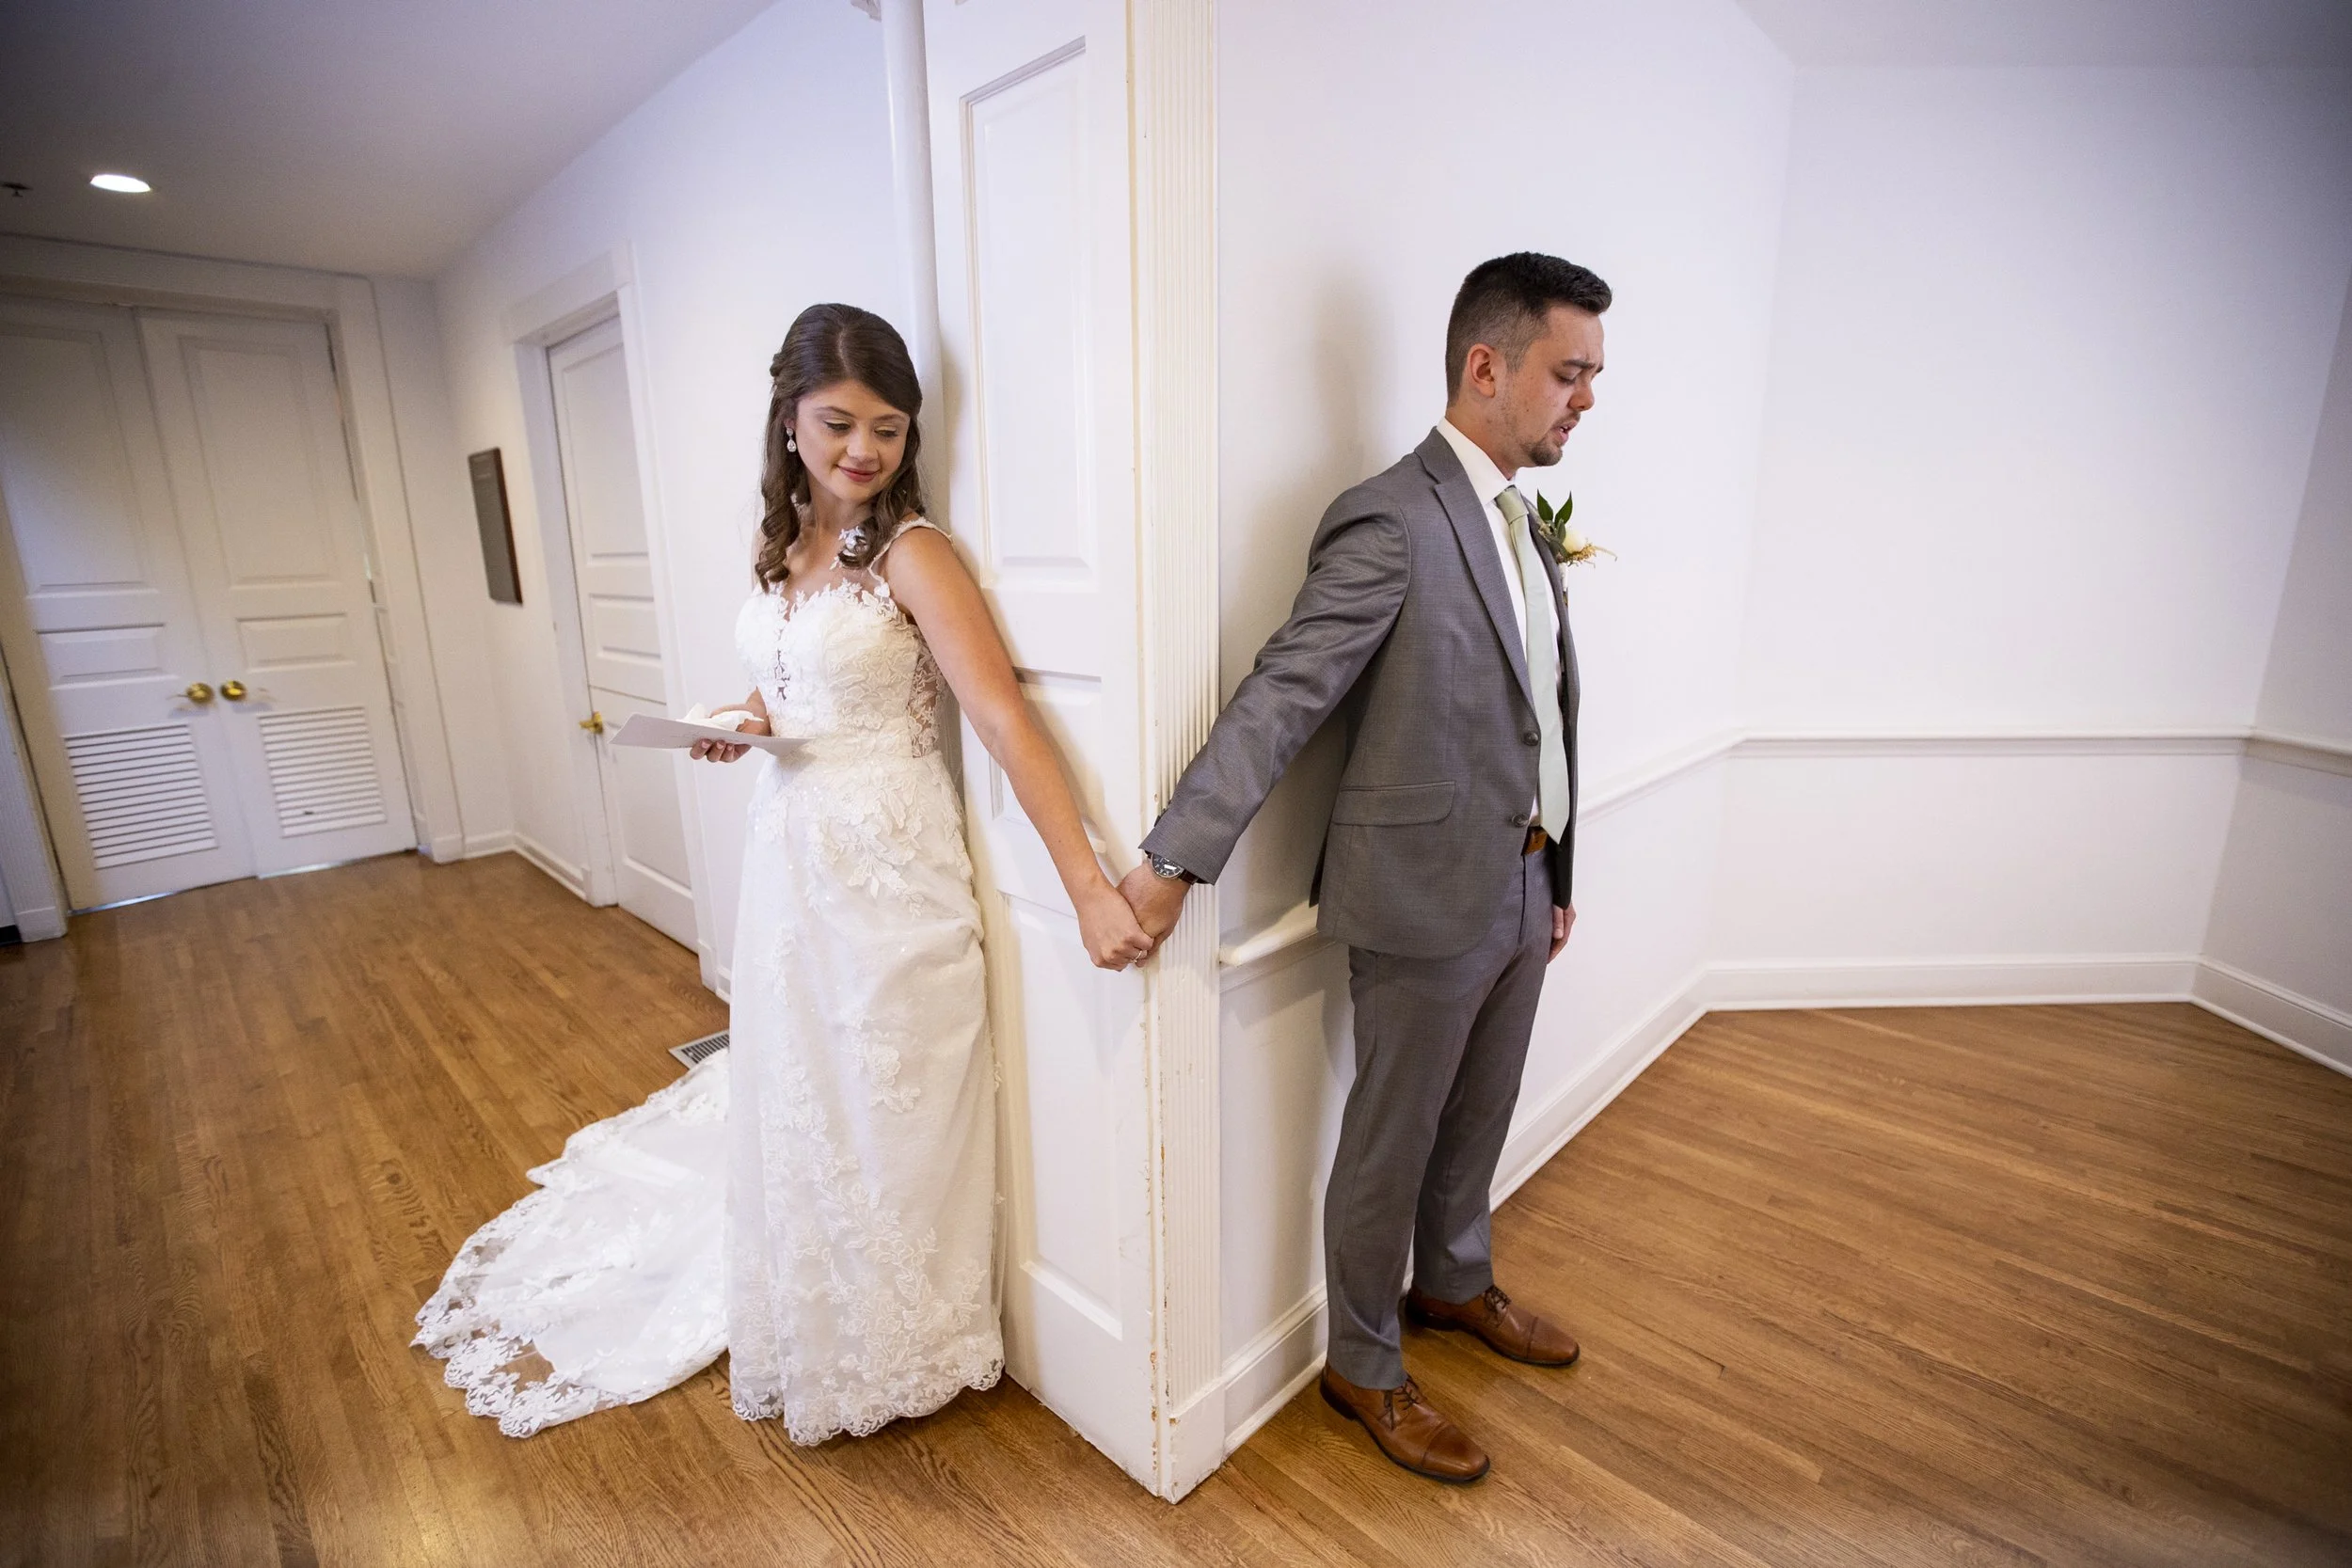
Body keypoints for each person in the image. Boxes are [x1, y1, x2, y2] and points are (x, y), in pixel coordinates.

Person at [415, 303, 1151, 1444]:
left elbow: (1001, 718)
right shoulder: (785, 548)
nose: (864, 451)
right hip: (788, 854)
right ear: (790, 421)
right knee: (805, 1088)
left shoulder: (915, 554)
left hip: (890, 861)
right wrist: (743, 718)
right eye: (839, 423)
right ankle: (817, 1301)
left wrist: (1091, 885)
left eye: (889, 430)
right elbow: (797, 690)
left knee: (891, 1095)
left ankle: (903, 1335)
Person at [1118, 253, 1607, 1482]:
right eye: (1570, 372)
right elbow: (1289, 690)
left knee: (1477, 1116)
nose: (1587, 398)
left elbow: (1543, 704)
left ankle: (1453, 1281)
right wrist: (1178, 853)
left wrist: (1554, 869)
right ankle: (1364, 1360)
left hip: (1520, 880)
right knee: (1390, 1140)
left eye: (1595, 376)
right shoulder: (1392, 515)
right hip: (1419, 896)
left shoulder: (1521, 523)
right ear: (1486, 365)